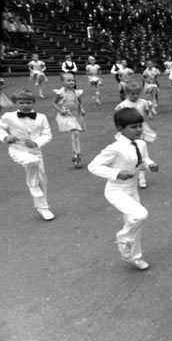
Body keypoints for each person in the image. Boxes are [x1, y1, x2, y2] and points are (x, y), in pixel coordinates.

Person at [88, 108, 159, 270]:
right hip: (116, 190)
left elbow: (143, 159)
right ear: (121, 129)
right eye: (133, 127)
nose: (139, 130)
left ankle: (133, 257)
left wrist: (150, 165)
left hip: (132, 189)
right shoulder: (115, 147)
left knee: (135, 223)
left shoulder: (141, 143)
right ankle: (123, 238)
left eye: (140, 126)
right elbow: (93, 166)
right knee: (140, 214)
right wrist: (117, 173)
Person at [0, 89, 54, 220]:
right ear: (16, 103)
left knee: (43, 180)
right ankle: (32, 183)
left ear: (33, 103)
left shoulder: (41, 117)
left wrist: (36, 142)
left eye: (28, 102)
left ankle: (43, 208)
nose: (25, 105)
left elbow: (47, 134)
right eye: (21, 102)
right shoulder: (8, 116)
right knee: (32, 162)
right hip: (17, 149)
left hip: (35, 150)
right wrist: (6, 137)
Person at [115, 82, 156, 188]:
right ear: (127, 93)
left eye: (137, 93)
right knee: (130, 153)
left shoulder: (143, 102)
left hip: (140, 129)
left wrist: (150, 112)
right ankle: (130, 172)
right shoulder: (124, 104)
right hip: (128, 130)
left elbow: (147, 111)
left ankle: (141, 176)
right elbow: (118, 116)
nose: (135, 96)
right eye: (132, 94)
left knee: (140, 152)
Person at [52, 72, 86, 168]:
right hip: (66, 116)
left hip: (75, 115)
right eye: (68, 80)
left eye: (73, 80)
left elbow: (79, 103)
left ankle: (77, 153)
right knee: (75, 133)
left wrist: (82, 110)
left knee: (76, 135)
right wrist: (60, 110)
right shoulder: (60, 93)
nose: (71, 82)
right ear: (62, 82)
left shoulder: (77, 92)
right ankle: (76, 154)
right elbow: (54, 103)